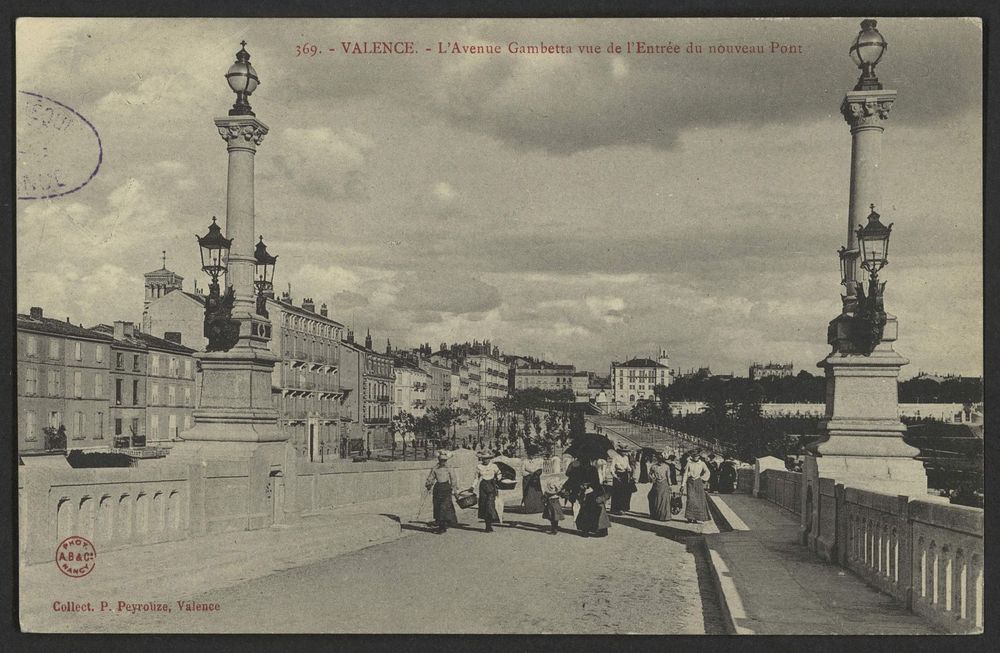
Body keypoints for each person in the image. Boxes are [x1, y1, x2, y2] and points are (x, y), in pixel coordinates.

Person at [573, 458, 610, 537]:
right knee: (588, 511)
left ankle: (592, 530)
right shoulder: (582, 469)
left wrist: (586, 485)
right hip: (589, 492)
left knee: (592, 510)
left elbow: (595, 482)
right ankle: (588, 530)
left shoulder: (591, 469)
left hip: (592, 491)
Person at [425, 451, 460, 534]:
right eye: (441, 460)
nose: (443, 462)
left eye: (444, 460)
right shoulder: (435, 469)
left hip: (446, 489)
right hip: (438, 489)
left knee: (444, 507)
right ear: (439, 460)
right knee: (438, 507)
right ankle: (441, 525)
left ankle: (443, 526)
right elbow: (430, 478)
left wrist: (455, 491)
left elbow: (453, 480)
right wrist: (429, 484)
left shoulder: (449, 468)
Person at [471, 450, 502, 532]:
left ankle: (490, 523)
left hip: (491, 486)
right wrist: (472, 487)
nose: (485, 460)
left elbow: (499, 474)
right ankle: (487, 525)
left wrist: (498, 479)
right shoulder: (479, 467)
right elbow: (476, 478)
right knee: (484, 505)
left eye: (487, 458)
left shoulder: (494, 466)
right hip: (483, 486)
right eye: (484, 459)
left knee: (490, 505)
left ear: (490, 458)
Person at [681, 450, 712, 523]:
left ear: (699, 457)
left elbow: (707, 472)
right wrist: (682, 485)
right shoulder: (689, 463)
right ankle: (689, 517)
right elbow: (685, 474)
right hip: (690, 482)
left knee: (698, 500)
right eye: (694, 456)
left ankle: (696, 518)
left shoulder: (702, 463)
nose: (695, 458)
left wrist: (703, 479)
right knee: (691, 499)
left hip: (698, 482)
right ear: (692, 457)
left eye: (697, 456)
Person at [647, 452, 676, 521]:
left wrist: (670, 485)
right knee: (653, 497)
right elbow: (650, 473)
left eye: (661, 460)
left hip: (664, 484)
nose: (660, 462)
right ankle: (656, 514)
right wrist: (652, 478)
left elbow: (668, 477)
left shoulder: (666, 466)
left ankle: (663, 515)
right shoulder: (654, 466)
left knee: (663, 500)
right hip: (657, 484)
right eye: (659, 460)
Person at [609, 444, 634, 515]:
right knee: (617, 493)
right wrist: (615, 475)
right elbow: (612, 467)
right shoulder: (616, 457)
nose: (625, 453)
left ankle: (623, 507)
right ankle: (616, 509)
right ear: (620, 451)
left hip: (625, 475)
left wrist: (630, 469)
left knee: (624, 492)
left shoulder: (626, 457)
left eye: (626, 452)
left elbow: (628, 465)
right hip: (618, 476)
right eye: (624, 452)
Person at [521, 446, 545, 514]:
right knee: (528, 494)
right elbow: (522, 472)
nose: (531, 456)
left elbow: (540, 469)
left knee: (536, 493)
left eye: (533, 455)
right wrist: (530, 474)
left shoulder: (537, 461)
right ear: (528, 455)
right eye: (530, 455)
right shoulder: (525, 462)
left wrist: (535, 474)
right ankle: (529, 509)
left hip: (535, 479)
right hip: (527, 479)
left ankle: (538, 508)